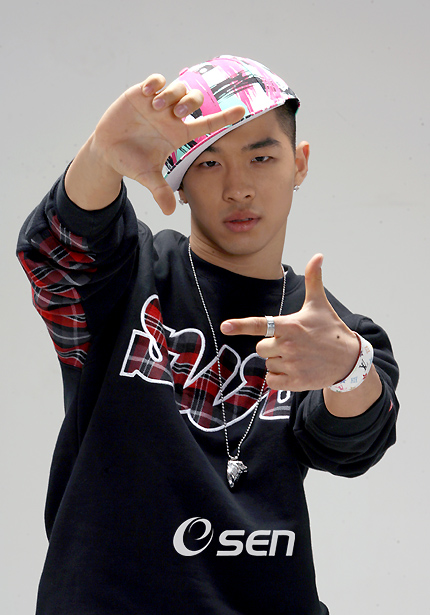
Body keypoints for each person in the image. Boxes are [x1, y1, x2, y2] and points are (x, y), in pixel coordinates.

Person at [17, 55, 399, 615]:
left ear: (299, 163)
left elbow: (350, 443)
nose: (238, 187)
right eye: (210, 162)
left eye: (261, 157)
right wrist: (100, 156)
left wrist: (349, 370)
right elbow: (59, 250)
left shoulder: (329, 329)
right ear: (179, 176)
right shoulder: (126, 276)